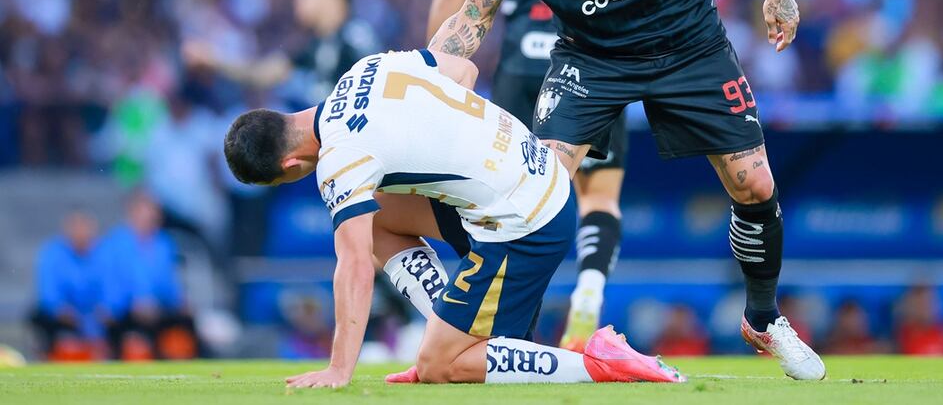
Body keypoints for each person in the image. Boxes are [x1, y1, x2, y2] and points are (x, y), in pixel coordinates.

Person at [428, 0, 824, 380]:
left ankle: (763, 319)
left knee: (753, 181)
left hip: (689, 44)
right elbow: (474, 16)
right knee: (537, 194)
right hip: (592, 59)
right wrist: (418, 78)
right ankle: (506, 336)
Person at [223, 48, 683, 387]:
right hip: (531, 176)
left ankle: (597, 361)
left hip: (525, 224)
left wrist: (339, 369)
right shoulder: (365, 70)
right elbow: (464, 68)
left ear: (286, 168)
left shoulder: (339, 160)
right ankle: (449, 329)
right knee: (377, 215)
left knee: (440, 367)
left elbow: (356, 265)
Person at [428, 0, 626, 351]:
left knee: (517, 204)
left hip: (520, 58)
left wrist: (433, 74)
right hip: (594, 61)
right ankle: (588, 293)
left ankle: (511, 328)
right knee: (600, 196)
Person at [183, 0, 380, 106]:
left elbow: (379, 88)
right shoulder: (312, 48)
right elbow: (260, 73)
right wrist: (214, 60)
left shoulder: (356, 37)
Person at [96, 191, 199, 360]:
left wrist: (179, 301)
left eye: (153, 210)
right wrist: (130, 302)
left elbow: (168, 283)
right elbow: (109, 283)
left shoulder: (164, 243)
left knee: (187, 322)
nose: (150, 215)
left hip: (157, 309)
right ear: (132, 212)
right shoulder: (114, 244)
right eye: (145, 210)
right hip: (125, 311)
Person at [29, 210, 106, 360]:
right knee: (39, 316)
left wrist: (105, 308)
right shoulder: (52, 252)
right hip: (62, 314)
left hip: (93, 314)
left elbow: (111, 288)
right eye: (76, 227)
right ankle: (47, 354)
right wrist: (60, 308)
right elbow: (47, 292)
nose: (80, 232)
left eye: (84, 227)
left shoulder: (103, 253)